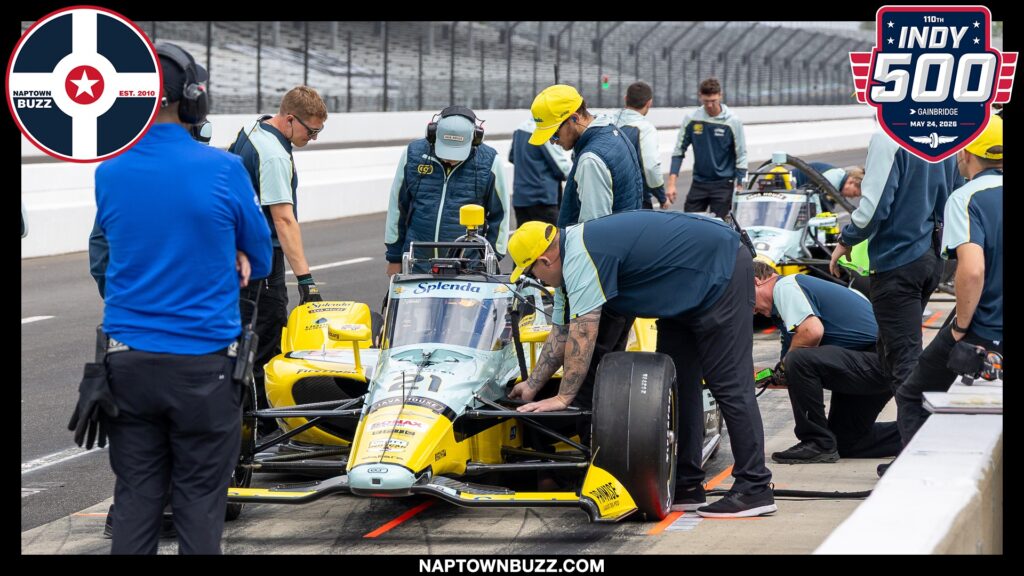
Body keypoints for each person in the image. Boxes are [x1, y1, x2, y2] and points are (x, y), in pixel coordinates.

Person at [88, 42, 272, 554]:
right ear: (194, 100)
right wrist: (232, 252)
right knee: (198, 501)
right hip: (203, 367)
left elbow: (114, 242)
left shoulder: (109, 171)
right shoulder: (224, 169)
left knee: (136, 498)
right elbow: (261, 259)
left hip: (127, 363)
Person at [507, 212, 775, 518]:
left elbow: (585, 331)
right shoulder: (569, 266)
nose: (538, 280)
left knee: (728, 383)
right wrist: (532, 385)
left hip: (719, 268)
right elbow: (560, 334)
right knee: (680, 383)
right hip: (684, 286)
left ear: (545, 261)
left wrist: (564, 397)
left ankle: (754, 487)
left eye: (532, 272)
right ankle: (687, 484)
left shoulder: (582, 259)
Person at [829, 132, 962, 474]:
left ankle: (914, 456)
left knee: (903, 360)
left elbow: (874, 207)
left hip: (897, 260)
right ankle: (905, 442)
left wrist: (847, 239)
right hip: (930, 257)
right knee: (893, 354)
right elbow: (954, 195)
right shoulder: (944, 135)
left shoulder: (890, 138)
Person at [894, 114, 1003, 447]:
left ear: (965, 153)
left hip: (985, 328)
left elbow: (971, 271)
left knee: (914, 394)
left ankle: (916, 477)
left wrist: (960, 328)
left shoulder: (966, 198)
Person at [228, 85, 327, 434]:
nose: (313, 139)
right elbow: (284, 220)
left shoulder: (252, 130)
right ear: (288, 119)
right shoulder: (273, 155)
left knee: (242, 338)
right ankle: (262, 432)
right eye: (310, 131)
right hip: (263, 259)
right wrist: (306, 280)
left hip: (238, 251)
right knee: (266, 342)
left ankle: (242, 424)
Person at [751, 259, 900, 464]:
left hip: (875, 360)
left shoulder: (785, 287)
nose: (750, 310)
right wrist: (769, 376)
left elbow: (811, 333)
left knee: (797, 359)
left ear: (756, 281)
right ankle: (918, 433)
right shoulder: (790, 314)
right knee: (846, 442)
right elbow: (791, 372)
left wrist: (786, 367)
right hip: (876, 364)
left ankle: (816, 442)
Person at [384, 105, 510, 274]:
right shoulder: (413, 155)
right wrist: (394, 257)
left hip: (468, 266)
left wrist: (491, 259)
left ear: (475, 139)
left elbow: (500, 216)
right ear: (433, 134)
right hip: (417, 261)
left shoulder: (490, 162)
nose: (450, 158)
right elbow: (397, 209)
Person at [528, 84, 643, 228]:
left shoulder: (590, 160)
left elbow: (593, 232)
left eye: (554, 134)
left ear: (574, 118)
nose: (552, 141)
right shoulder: (612, 132)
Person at [666, 77, 747, 217]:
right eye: (706, 101)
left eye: (713, 101)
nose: (709, 105)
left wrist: (740, 184)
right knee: (689, 223)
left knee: (718, 228)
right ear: (700, 97)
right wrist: (672, 184)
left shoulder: (733, 121)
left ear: (720, 95)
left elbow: (741, 154)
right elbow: (678, 151)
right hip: (699, 183)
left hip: (723, 184)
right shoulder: (692, 119)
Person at [612, 81, 668, 209]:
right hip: (636, 201)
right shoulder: (645, 129)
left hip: (607, 199)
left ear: (625, 99)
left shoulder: (608, 122)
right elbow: (650, 167)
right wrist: (662, 197)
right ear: (649, 103)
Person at [508, 118, 571, 226]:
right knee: (550, 240)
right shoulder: (543, 132)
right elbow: (562, 169)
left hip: (521, 198)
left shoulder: (520, 128)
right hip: (543, 199)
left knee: (525, 240)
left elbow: (511, 157)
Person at [792, 162, 864, 212]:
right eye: (854, 193)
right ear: (851, 182)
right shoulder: (832, 180)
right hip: (790, 186)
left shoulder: (839, 179)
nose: (851, 197)